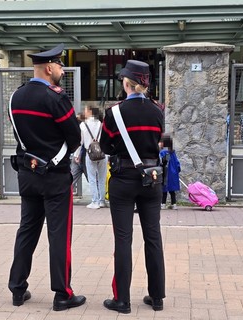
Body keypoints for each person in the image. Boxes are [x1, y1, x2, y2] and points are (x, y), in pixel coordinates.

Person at [8, 43, 86, 310]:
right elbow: (74, 138)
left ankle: (17, 289)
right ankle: (62, 294)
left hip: (27, 176)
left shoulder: (15, 97)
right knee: (59, 236)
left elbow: (21, 136)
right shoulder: (56, 98)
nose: (62, 71)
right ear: (50, 67)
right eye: (61, 66)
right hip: (55, 176)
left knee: (27, 231)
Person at [100, 60, 165, 313]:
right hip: (152, 179)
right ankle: (157, 297)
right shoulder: (159, 110)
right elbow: (164, 140)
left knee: (123, 240)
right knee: (153, 238)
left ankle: (122, 300)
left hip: (123, 179)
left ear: (126, 83)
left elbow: (105, 147)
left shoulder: (114, 113)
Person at [80, 105, 107, 209]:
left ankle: (94, 201)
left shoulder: (83, 125)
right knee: (101, 178)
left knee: (92, 178)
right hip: (102, 153)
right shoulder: (101, 124)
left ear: (90, 112)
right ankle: (102, 201)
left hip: (90, 153)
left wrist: (77, 155)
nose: (84, 111)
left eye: (86, 110)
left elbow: (81, 142)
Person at [159, 141, 181, 210]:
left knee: (164, 189)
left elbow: (161, 163)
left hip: (166, 174)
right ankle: (173, 204)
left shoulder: (163, 152)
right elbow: (177, 163)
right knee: (172, 190)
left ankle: (163, 204)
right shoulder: (172, 153)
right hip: (173, 174)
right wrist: (177, 170)